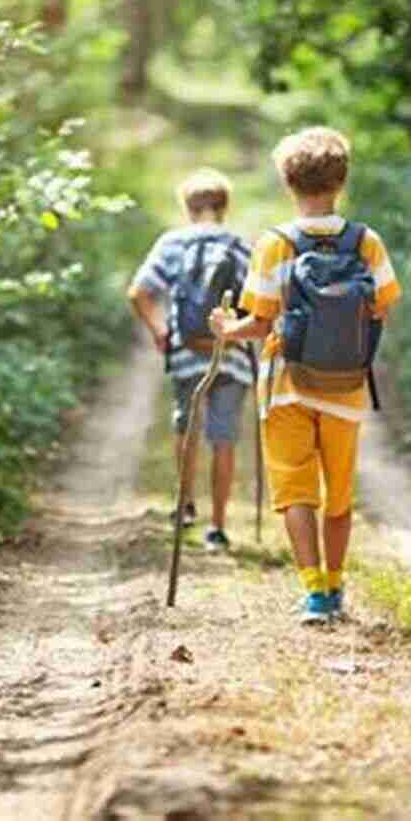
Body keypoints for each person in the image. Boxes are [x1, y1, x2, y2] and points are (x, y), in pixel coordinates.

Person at [210, 127, 401, 623]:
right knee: (338, 494)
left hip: (287, 386)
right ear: (342, 181)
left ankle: (314, 591)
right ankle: (337, 587)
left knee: (296, 489)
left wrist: (226, 330)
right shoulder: (367, 241)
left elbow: (260, 322)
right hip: (346, 388)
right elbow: (383, 307)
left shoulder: (275, 245)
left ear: (287, 183)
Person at [128, 169, 254, 552]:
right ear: (224, 206)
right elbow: (262, 300)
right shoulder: (240, 245)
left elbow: (139, 292)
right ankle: (217, 527)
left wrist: (160, 331)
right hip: (229, 353)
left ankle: (184, 505)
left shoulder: (173, 244)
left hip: (185, 352)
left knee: (186, 426)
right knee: (225, 436)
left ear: (187, 207)